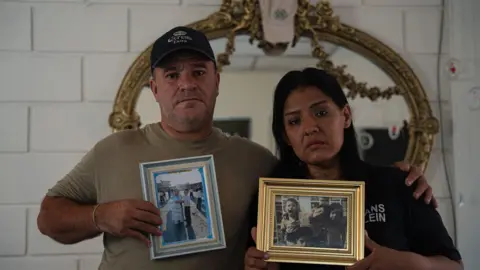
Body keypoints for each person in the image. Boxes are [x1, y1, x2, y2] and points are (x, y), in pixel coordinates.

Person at [36, 26, 436, 270]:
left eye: (198, 71)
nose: (186, 83)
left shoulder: (257, 161)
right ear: (154, 88)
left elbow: (317, 185)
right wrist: (99, 215)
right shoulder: (112, 151)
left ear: (216, 81)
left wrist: (399, 178)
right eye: (172, 74)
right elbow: (48, 218)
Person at [244, 68, 462, 270]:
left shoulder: (398, 184)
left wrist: (410, 263)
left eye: (320, 113)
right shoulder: (272, 205)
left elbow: (455, 266)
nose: (310, 128)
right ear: (286, 137)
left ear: (345, 116)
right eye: (294, 121)